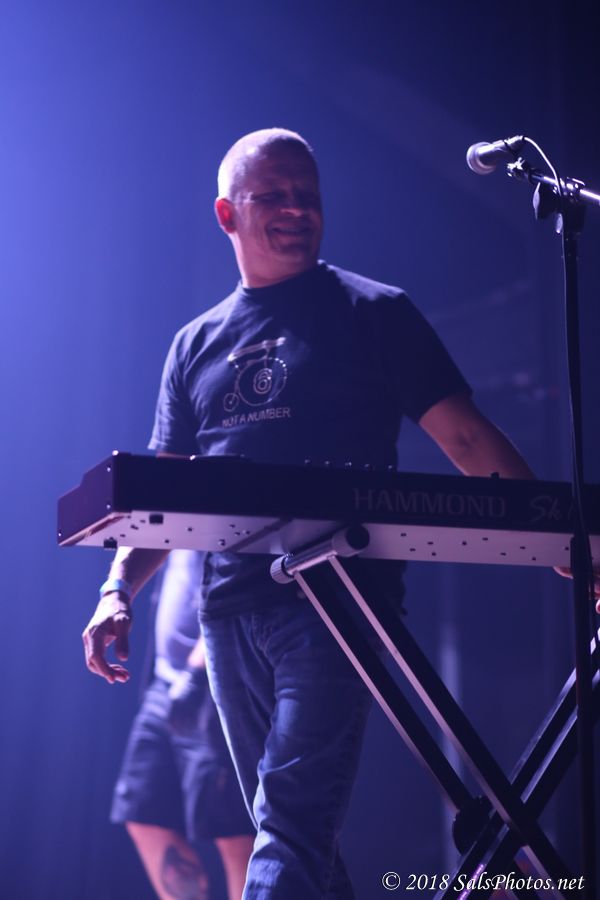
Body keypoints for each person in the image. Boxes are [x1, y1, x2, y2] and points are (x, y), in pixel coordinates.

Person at [83, 127, 552, 899]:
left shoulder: (376, 312)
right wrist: (115, 593)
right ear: (228, 214)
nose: (298, 209)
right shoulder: (194, 344)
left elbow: (468, 438)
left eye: (309, 195)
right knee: (302, 843)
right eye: (275, 195)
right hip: (228, 613)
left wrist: (565, 544)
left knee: (289, 826)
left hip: (338, 603)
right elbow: (159, 500)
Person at [110, 550, 254, 900]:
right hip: (164, 681)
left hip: (217, 681)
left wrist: (195, 672)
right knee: (143, 814)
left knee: (232, 830)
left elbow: (244, 575)